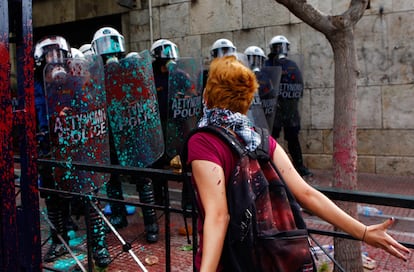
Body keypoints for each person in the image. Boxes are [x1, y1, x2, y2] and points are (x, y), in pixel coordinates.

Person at [185, 55, 410, 271]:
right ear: (246, 100)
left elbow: (218, 215)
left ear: (208, 95)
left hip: (228, 261)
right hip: (268, 257)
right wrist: (363, 232)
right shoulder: (262, 139)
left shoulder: (203, 142)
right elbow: (307, 194)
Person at [34, 35, 111, 267]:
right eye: (49, 56)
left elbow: (90, 105)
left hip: (78, 147)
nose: (54, 61)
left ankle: (99, 246)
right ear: (40, 61)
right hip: (50, 151)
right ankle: (58, 241)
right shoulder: (35, 87)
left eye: (58, 55)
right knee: (53, 199)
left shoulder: (75, 79)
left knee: (90, 195)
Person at [92, 26, 159, 242]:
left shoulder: (130, 69)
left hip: (131, 131)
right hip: (110, 135)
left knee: (143, 179)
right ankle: (119, 216)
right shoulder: (95, 75)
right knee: (112, 178)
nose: (108, 52)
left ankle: (151, 224)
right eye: (104, 47)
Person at [265, 35, 313, 177]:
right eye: (278, 46)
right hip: (274, 109)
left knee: (292, 138)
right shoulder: (268, 65)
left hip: (289, 108)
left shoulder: (292, 65)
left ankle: (299, 166)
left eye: (282, 46)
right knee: (271, 138)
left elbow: (299, 86)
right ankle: (269, 165)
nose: (280, 49)